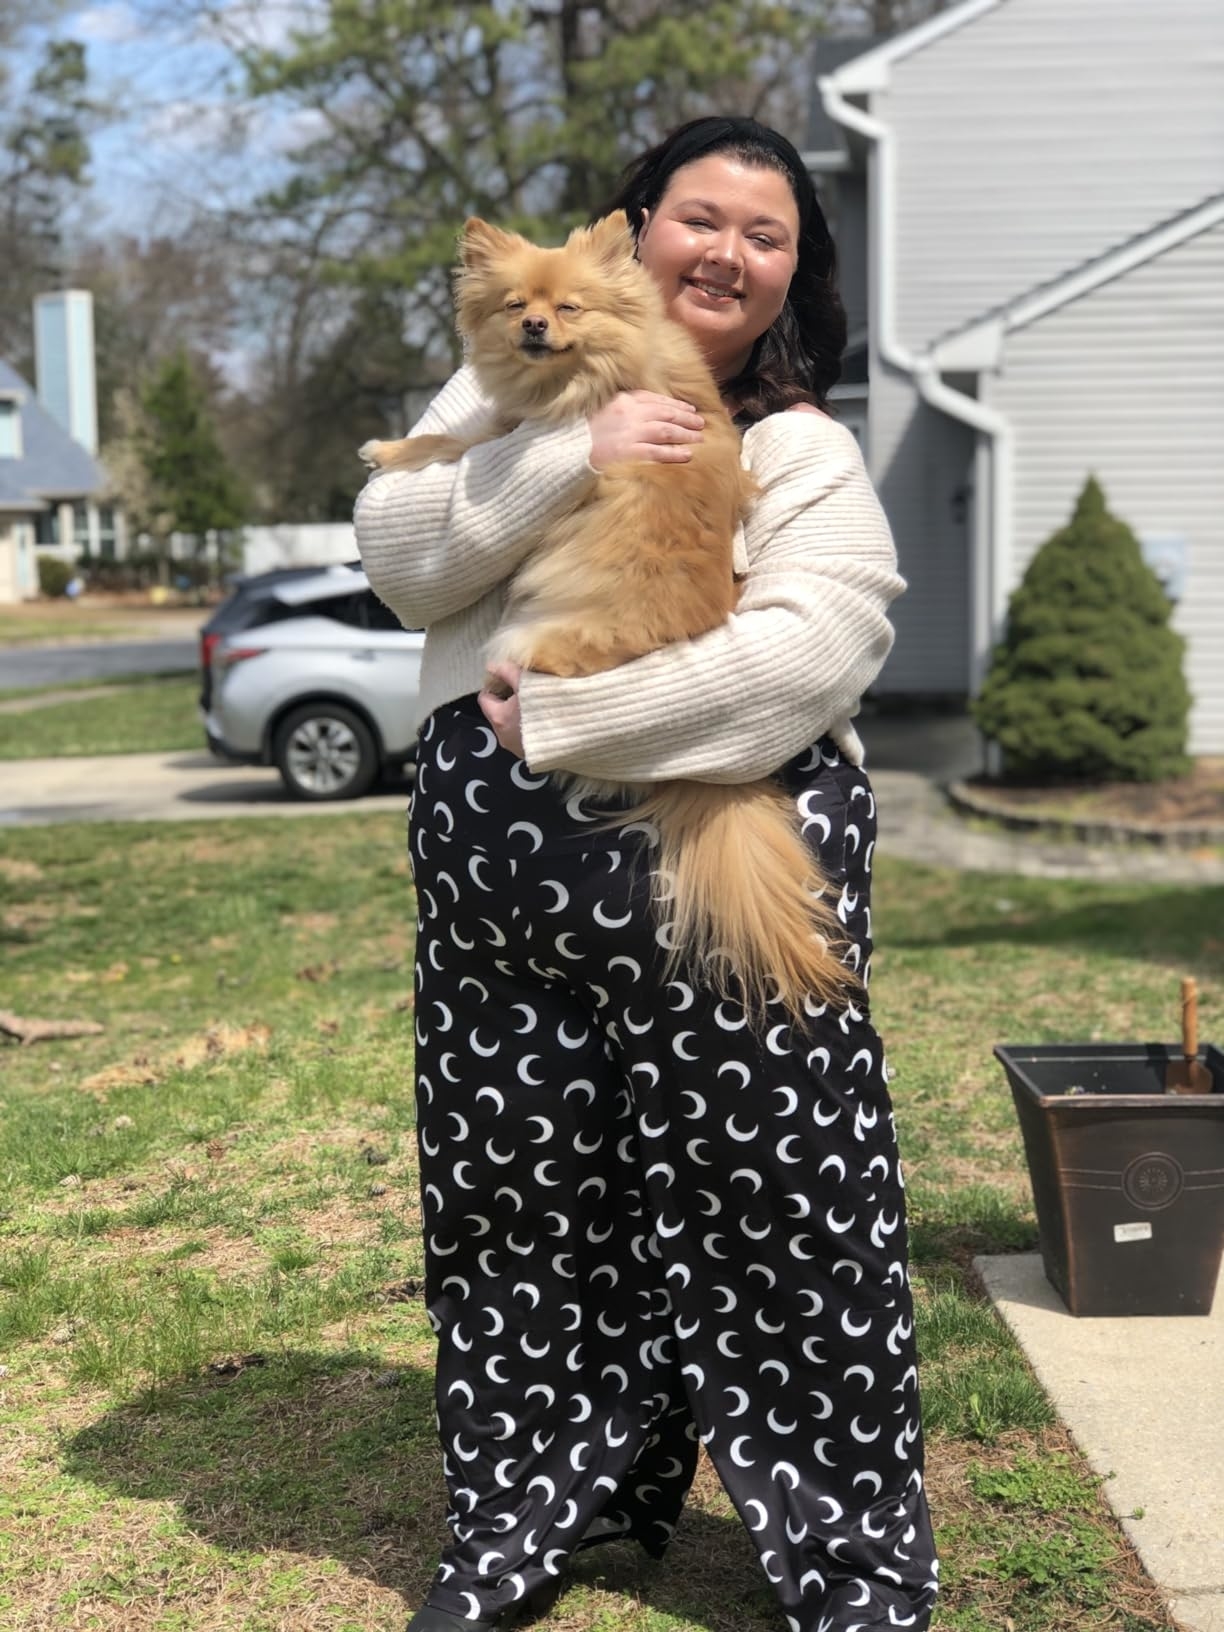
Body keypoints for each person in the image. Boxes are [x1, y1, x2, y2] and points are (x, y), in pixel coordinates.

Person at [355, 115, 938, 1632]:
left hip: (691, 857)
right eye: (702, 216)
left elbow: (817, 646)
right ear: (636, 228)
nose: (729, 253)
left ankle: (852, 1566)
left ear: (792, 282)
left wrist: (561, 714)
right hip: (498, 889)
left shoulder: (800, 445)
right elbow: (405, 562)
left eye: (769, 236)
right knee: (518, 1201)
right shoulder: (510, 377)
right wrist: (567, 448)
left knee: (784, 1212)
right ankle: (537, 1515)